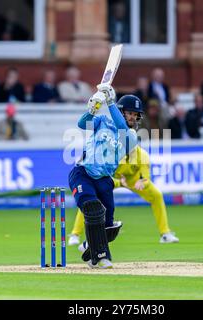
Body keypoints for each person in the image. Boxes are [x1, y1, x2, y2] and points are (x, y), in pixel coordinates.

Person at [68, 84, 141, 269]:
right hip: (83, 173)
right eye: (130, 113)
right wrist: (91, 110)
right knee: (93, 208)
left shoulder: (132, 137)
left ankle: (91, 246)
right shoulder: (102, 122)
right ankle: (100, 258)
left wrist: (110, 101)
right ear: (122, 111)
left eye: (136, 115)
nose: (133, 117)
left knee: (109, 227)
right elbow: (82, 124)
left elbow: (122, 128)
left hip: (104, 180)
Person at [68, 144, 179, 246]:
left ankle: (165, 234)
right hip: (113, 179)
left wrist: (142, 182)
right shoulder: (112, 154)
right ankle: (75, 234)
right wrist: (119, 182)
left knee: (157, 195)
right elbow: (103, 174)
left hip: (134, 180)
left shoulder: (143, 155)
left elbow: (146, 177)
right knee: (91, 200)